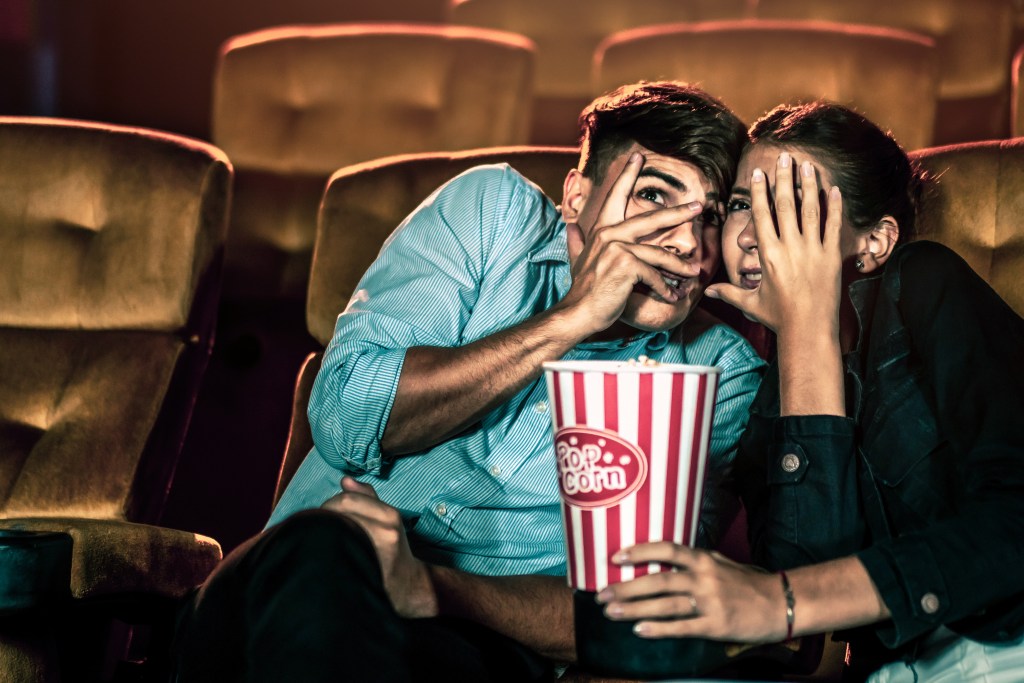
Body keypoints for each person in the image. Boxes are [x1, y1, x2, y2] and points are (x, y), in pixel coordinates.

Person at [172, 81, 766, 682]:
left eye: (709, 218)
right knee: (330, 548)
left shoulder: (720, 372)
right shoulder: (492, 213)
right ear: (577, 197)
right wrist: (574, 317)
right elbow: (345, 419)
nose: (687, 244)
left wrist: (431, 587)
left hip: (472, 653)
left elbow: (630, 614)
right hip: (278, 600)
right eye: (655, 197)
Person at [591, 102, 1024, 682]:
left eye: (787, 207)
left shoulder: (923, 284)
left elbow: (1015, 518)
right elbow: (809, 582)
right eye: (742, 204)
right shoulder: (758, 387)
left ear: (872, 243)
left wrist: (780, 601)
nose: (748, 235)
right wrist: (805, 337)